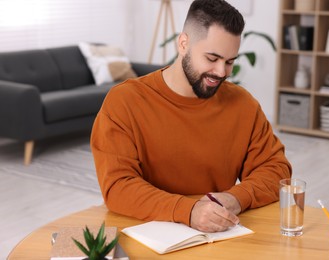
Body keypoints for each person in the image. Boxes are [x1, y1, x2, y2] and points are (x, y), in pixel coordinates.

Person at [91, 0, 292, 233]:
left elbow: (276, 169)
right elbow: (117, 186)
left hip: (215, 235)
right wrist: (188, 211)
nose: (221, 72)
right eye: (212, 58)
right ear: (183, 43)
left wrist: (236, 198)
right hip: (145, 232)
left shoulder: (243, 104)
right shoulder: (124, 101)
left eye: (229, 62)